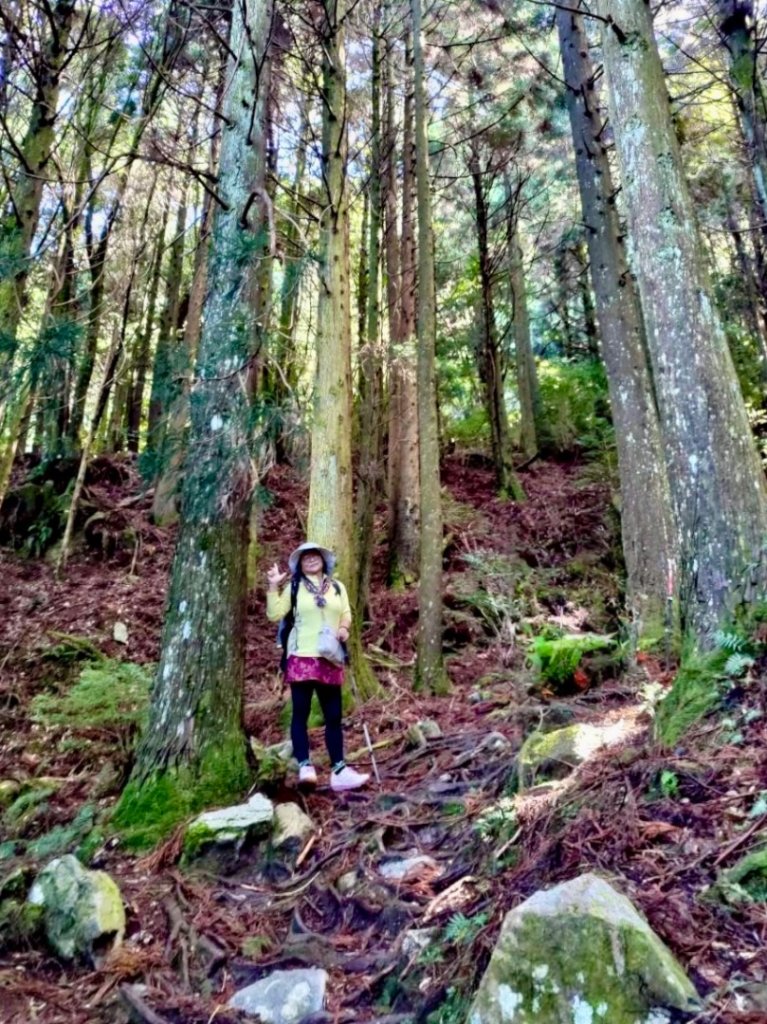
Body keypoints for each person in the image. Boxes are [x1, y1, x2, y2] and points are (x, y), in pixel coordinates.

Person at [266, 542, 369, 792]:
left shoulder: (336, 587)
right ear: (299, 564)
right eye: (305, 558)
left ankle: (339, 770)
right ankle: (304, 765)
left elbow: (346, 612)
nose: (311, 560)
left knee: (333, 714)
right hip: (301, 655)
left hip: (330, 657)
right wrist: (273, 586)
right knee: (300, 712)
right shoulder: (293, 587)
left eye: (315, 556)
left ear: (324, 560)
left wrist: (344, 628)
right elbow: (274, 614)